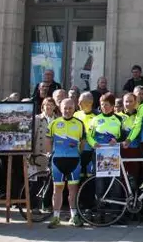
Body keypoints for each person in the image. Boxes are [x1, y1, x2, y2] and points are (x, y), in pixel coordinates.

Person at [46, 98, 85, 228]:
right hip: (58, 161)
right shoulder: (54, 123)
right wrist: (49, 154)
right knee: (57, 189)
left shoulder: (79, 123)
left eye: (70, 108)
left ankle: (74, 216)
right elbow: (48, 141)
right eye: (65, 108)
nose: (67, 110)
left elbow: (82, 142)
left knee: (73, 190)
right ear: (60, 108)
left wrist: (79, 153)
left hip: (74, 161)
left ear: (74, 109)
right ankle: (56, 217)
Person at [118, 93, 142, 184]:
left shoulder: (139, 115)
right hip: (121, 150)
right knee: (121, 175)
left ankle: (133, 196)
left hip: (135, 149)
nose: (128, 104)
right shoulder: (117, 116)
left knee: (134, 175)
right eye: (126, 101)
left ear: (135, 102)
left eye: (131, 101)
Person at [74, 92, 96, 177]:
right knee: (79, 175)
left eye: (81, 101)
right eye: (78, 101)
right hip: (78, 150)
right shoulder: (76, 114)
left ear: (90, 103)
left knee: (90, 175)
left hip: (91, 151)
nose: (78, 103)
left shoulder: (97, 115)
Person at [34, 97, 58, 171]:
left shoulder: (59, 119)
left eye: (51, 105)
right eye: (47, 105)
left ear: (54, 107)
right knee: (40, 177)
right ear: (43, 106)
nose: (49, 107)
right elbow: (32, 138)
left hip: (55, 152)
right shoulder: (37, 118)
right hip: (40, 153)